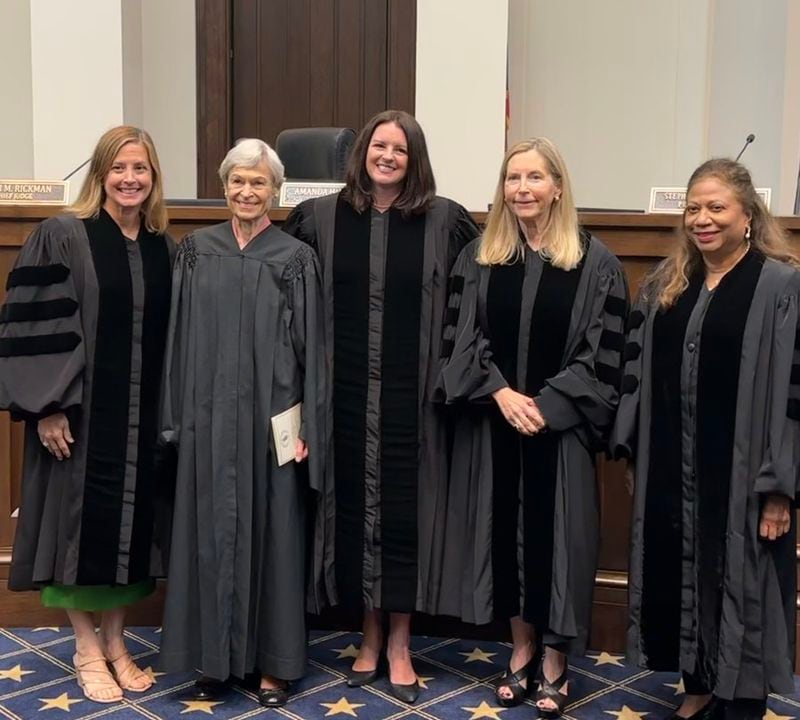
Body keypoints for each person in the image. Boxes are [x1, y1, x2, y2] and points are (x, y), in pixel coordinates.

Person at [283, 109, 480, 704]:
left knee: (403, 515)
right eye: (378, 145)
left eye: (399, 148)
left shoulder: (446, 221)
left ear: (414, 157)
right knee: (350, 512)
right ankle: (366, 636)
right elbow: (288, 302)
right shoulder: (319, 218)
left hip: (415, 401)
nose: (387, 156)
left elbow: (472, 305)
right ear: (361, 152)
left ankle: (399, 642)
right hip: (341, 396)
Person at [436, 138, 628, 716]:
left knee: (560, 543)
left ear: (558, 187)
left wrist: (546, 403)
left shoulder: (596, 262)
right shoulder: (481, 257)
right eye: (513, 178)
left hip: (560, 430)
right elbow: (459, 340)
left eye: (535, 178)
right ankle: (521, 650)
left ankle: (556, 661)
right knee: (504, 538)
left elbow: (604, 356)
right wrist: (500, 392)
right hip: (497, 425)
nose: (522, 188)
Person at [612, 158, 798, 720]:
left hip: (742, 470)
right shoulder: (668, 283)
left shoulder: (781, 286)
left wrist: (779, 488)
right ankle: (697, 683)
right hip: (671, 461)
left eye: (716, 207)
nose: (702, 219)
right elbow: (637, 372)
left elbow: (795, 395)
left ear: (748, 215)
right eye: (693, 208)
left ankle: (740, 696)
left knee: (741, 579)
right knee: (680, 568)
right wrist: (634, 448)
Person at [0, 126, 173, 703]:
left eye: (141, 169)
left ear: (154, 178)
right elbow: (35, 325)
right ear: (100, 173)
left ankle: (118, 642)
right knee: (76, 530)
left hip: (142, 416)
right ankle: (85, 647)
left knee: (131, 529)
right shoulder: (62, 236)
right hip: (79, 414)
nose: (130, 179)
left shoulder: (160, 246)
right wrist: (47, 407)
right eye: (119, 168)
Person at [157, 138, 325, 709]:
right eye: (237, 181)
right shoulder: (196, 251)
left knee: (275, 534)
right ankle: (213, 661)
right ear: (224, 187)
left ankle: (273, 666)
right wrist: (175, 417)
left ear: (274, 191)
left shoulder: (294, 258)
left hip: (270, 422)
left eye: (258, 183)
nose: (247, 191)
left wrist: (308, 427)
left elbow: (313, 352)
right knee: (206, 537)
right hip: (207, 420)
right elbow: (177, 340)